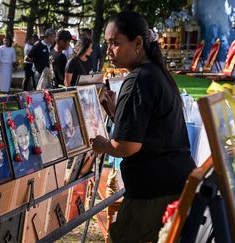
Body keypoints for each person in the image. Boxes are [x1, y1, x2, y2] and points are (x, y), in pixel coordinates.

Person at [90, 11, 196, 242]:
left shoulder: (138, 79)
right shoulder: (155, 73)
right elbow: (151, 132)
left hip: (154, 192)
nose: (109, 51)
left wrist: (101, 145)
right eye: (107, 44)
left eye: (115, 43)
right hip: (173, 183)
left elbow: (126, 147)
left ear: (138, 43)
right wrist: (119, 114)